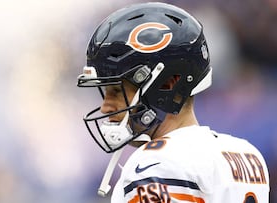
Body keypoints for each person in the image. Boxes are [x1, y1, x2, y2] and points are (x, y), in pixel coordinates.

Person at [77, 2, 270, 203]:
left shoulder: (156, 163)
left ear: (169, 83)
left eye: (117, 91)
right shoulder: (246, 154)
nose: (105, 107)